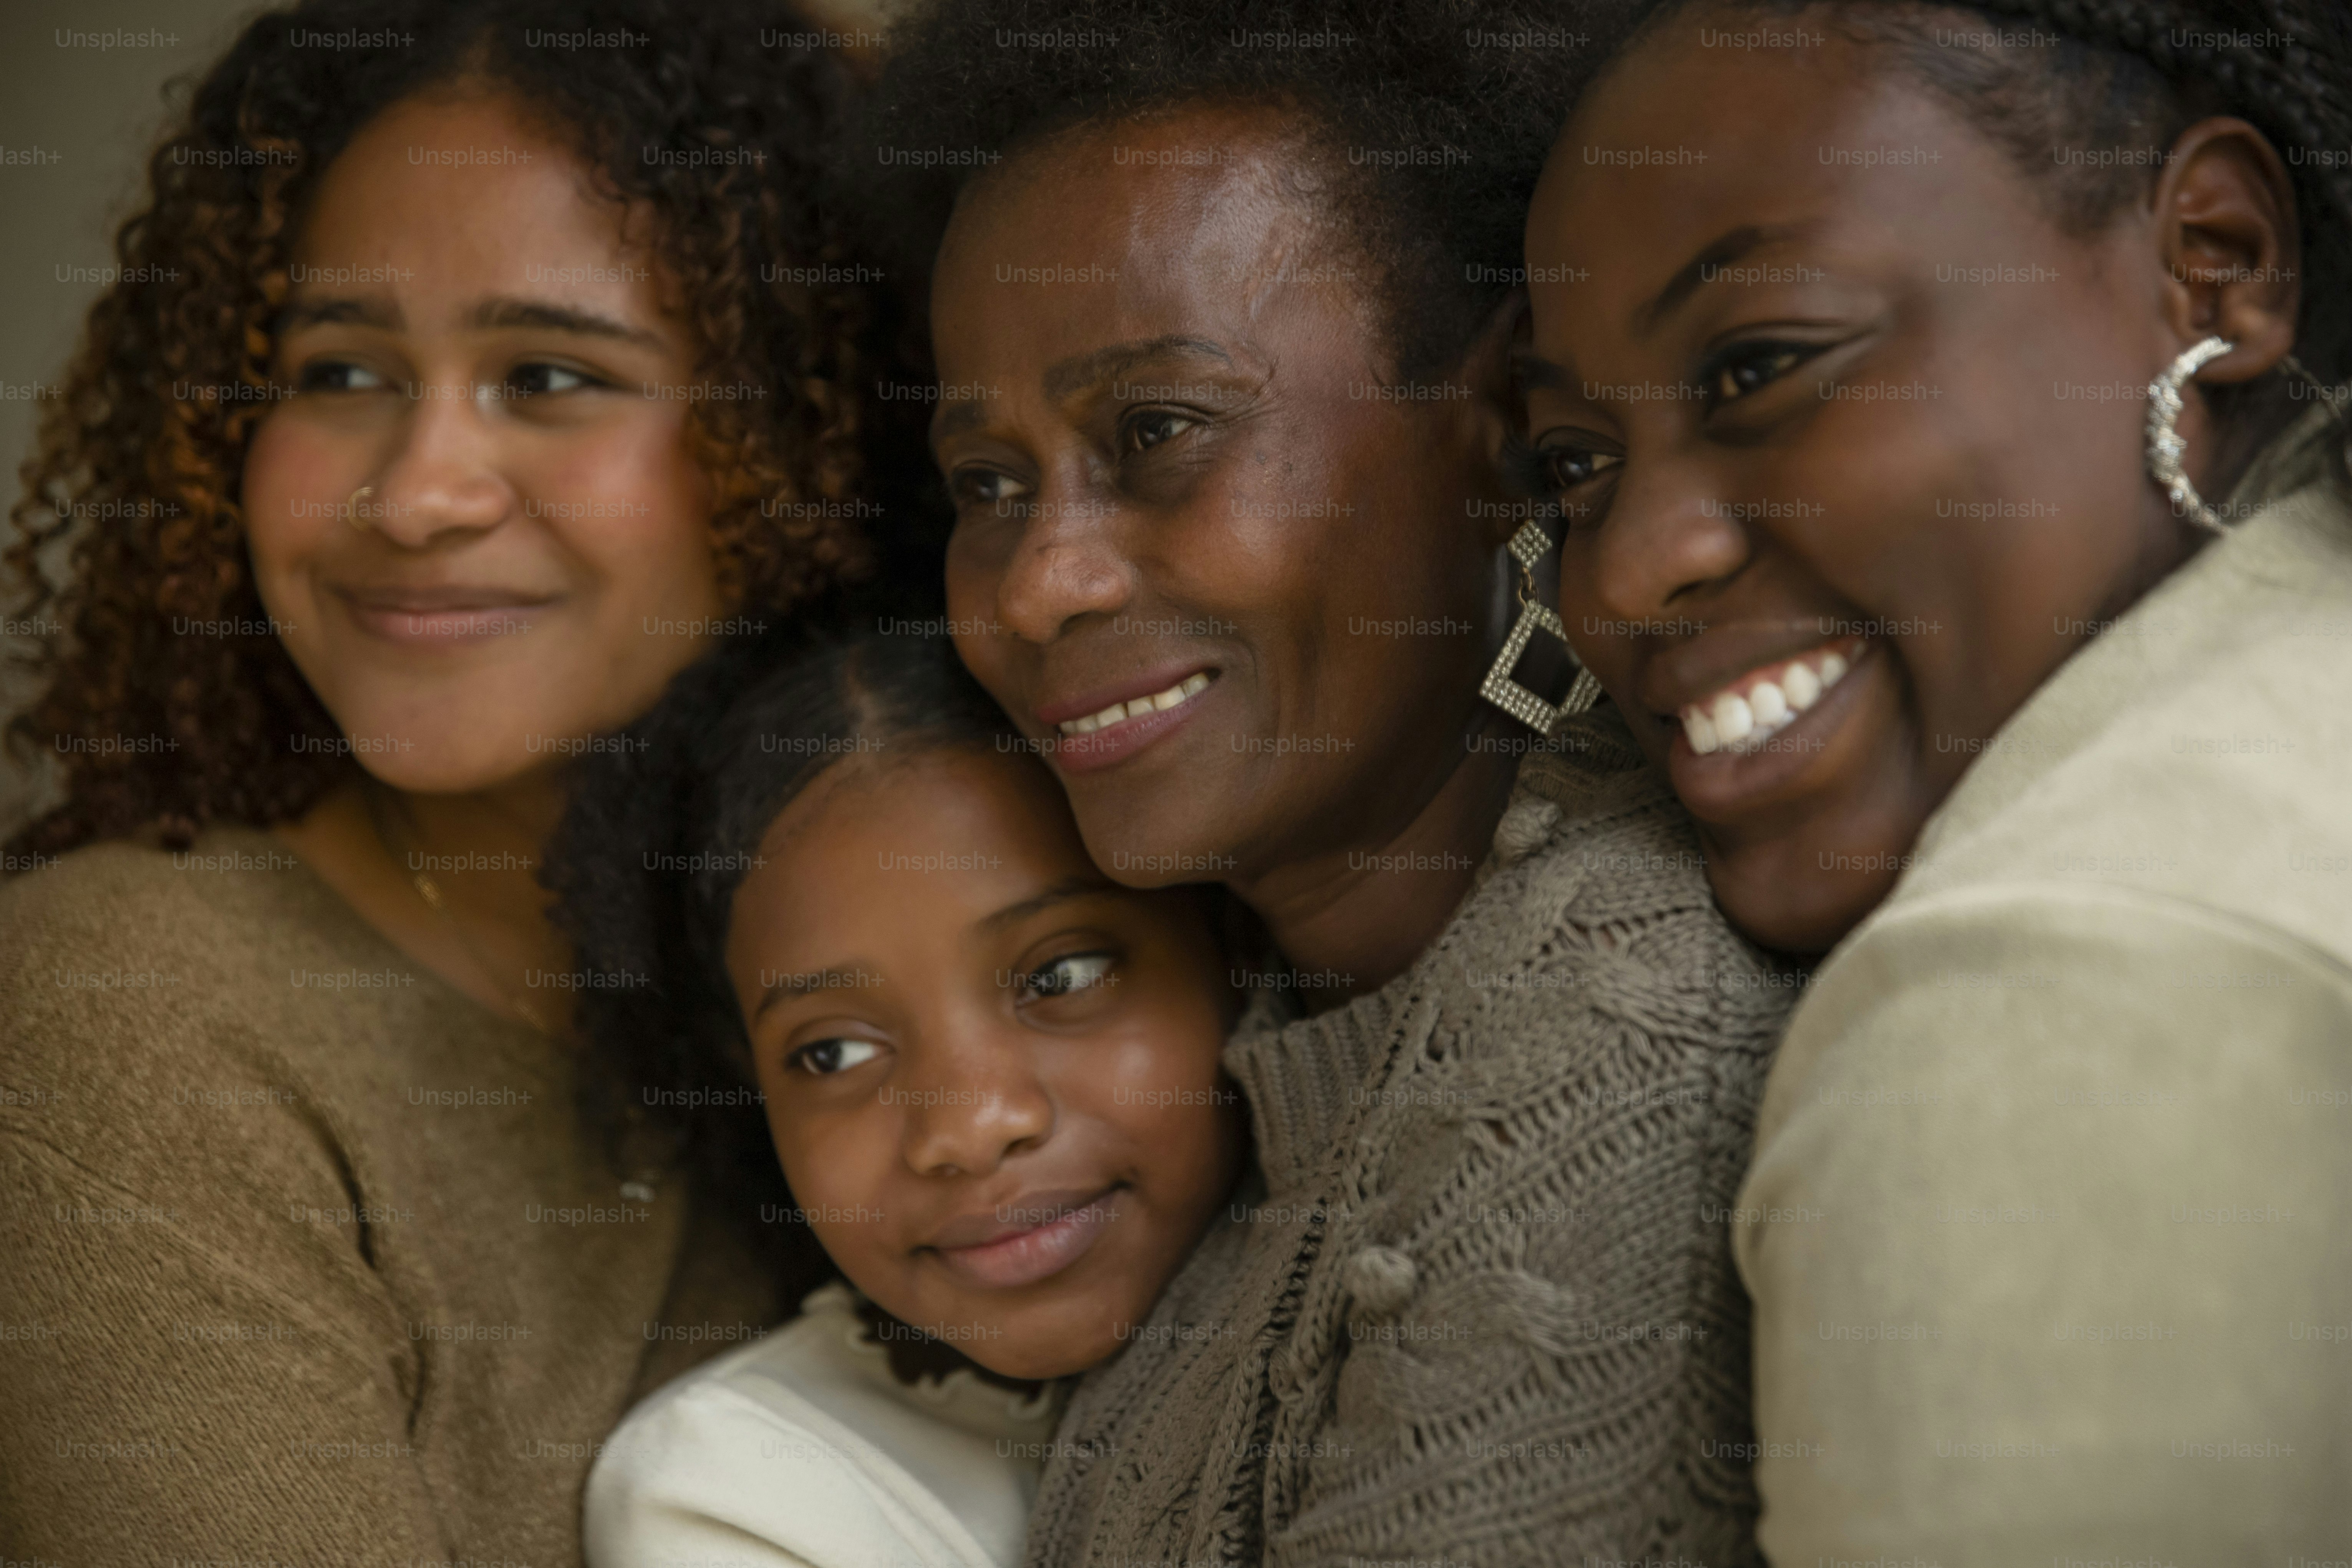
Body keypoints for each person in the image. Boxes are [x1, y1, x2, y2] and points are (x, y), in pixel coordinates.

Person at [873, 2, 1797, 1562]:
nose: (1039, 586)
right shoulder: (1235, 1058)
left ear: (1504, 432)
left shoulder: (1619, 1030)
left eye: (1157, 429)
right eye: (988, 484)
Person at [0, 0, 913, 1558]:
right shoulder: (125, 1021)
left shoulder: (928, 982)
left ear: (801, 445)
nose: (417, 492)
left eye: (549, 377)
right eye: (339, 371)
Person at [1520, 0, 2352, 1554]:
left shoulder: (2047, 994)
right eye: (1574, 466)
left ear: (2217, 262)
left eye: (1762, 363)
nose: (1627, 571)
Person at [540, 627, 1244, 1568]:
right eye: (832, 1050)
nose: (969, 1127)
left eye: (1062, 973)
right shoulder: (740, 1495)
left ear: (1231, 953)